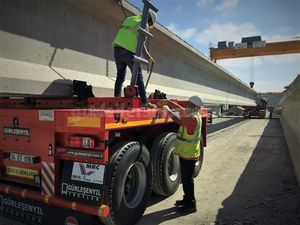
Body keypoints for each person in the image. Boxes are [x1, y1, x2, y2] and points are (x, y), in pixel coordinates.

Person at [158, 95, 203, 213]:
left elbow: (178, 119)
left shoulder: (192, 119)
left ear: (194, 106)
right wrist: (169, 102)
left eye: (189, 104)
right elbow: (181, 110)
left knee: (188, 180)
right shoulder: (194, 114)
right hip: (187, 153)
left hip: (189, 154)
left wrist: (168, 111)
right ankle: (186, 199)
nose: (186, 105)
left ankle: (191, 205)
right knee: (186, 178)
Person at [112, 10, 157, 108]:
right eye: (150, 23)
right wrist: (149, 58)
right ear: (149, 19)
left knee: (120, 75)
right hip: (128, 51)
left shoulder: (130, 18)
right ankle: (144, 101)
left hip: (117, 49)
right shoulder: (143, 24)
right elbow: (142, 45)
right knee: (138, 75)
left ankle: (117, 99)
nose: (149, 25)